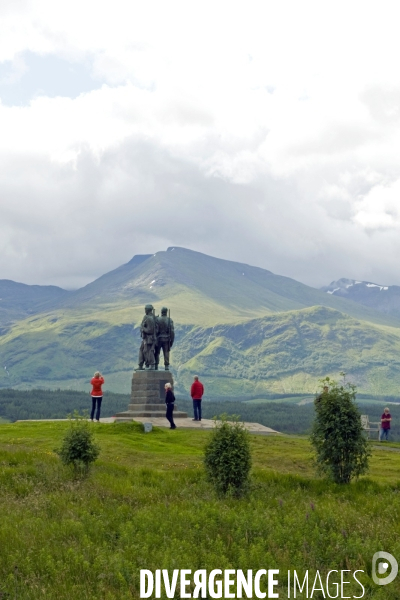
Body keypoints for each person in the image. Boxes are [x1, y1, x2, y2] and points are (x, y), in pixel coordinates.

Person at [138, 304, 158, 370]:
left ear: (147, 310)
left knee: (149, 351)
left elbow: (150, 330)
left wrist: (143, 328)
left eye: (145, 309)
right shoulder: (147, 317)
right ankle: (141, 364)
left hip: (149, 338)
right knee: (142, 350)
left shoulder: (149, 319)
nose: (145, 311)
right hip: (145, 338)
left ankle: (152, 365)